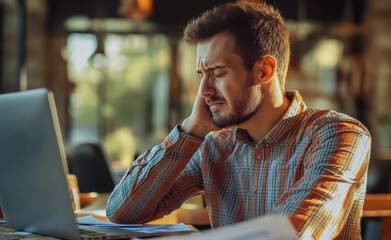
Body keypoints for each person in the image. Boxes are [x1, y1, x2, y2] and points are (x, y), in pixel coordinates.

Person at [106, 2, 371, 239]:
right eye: (202, 75)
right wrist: (192, 129)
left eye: (218, 73)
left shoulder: (338, 134)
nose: (204, 91)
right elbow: (122, 212)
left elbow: (292, 232)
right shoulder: (214, 146)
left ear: (264, 71)